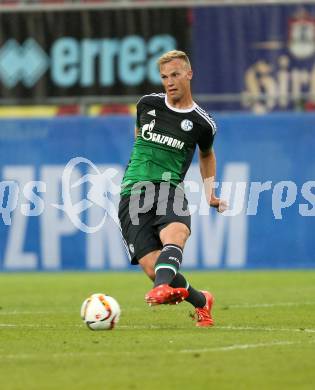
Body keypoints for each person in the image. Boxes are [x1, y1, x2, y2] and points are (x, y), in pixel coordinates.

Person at [118, 50, 227, 327]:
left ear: (189, 74)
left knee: (176, 233)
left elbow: (206, 155)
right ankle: (202, 301)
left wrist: (209, 192)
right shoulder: (146, 104)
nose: (170, 82)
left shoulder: (203, 123)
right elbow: (138, 136)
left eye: (175, 74)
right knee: (153, 268)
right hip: (133, 192)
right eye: (165, 76)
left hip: (169, 188)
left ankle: (162, 289)